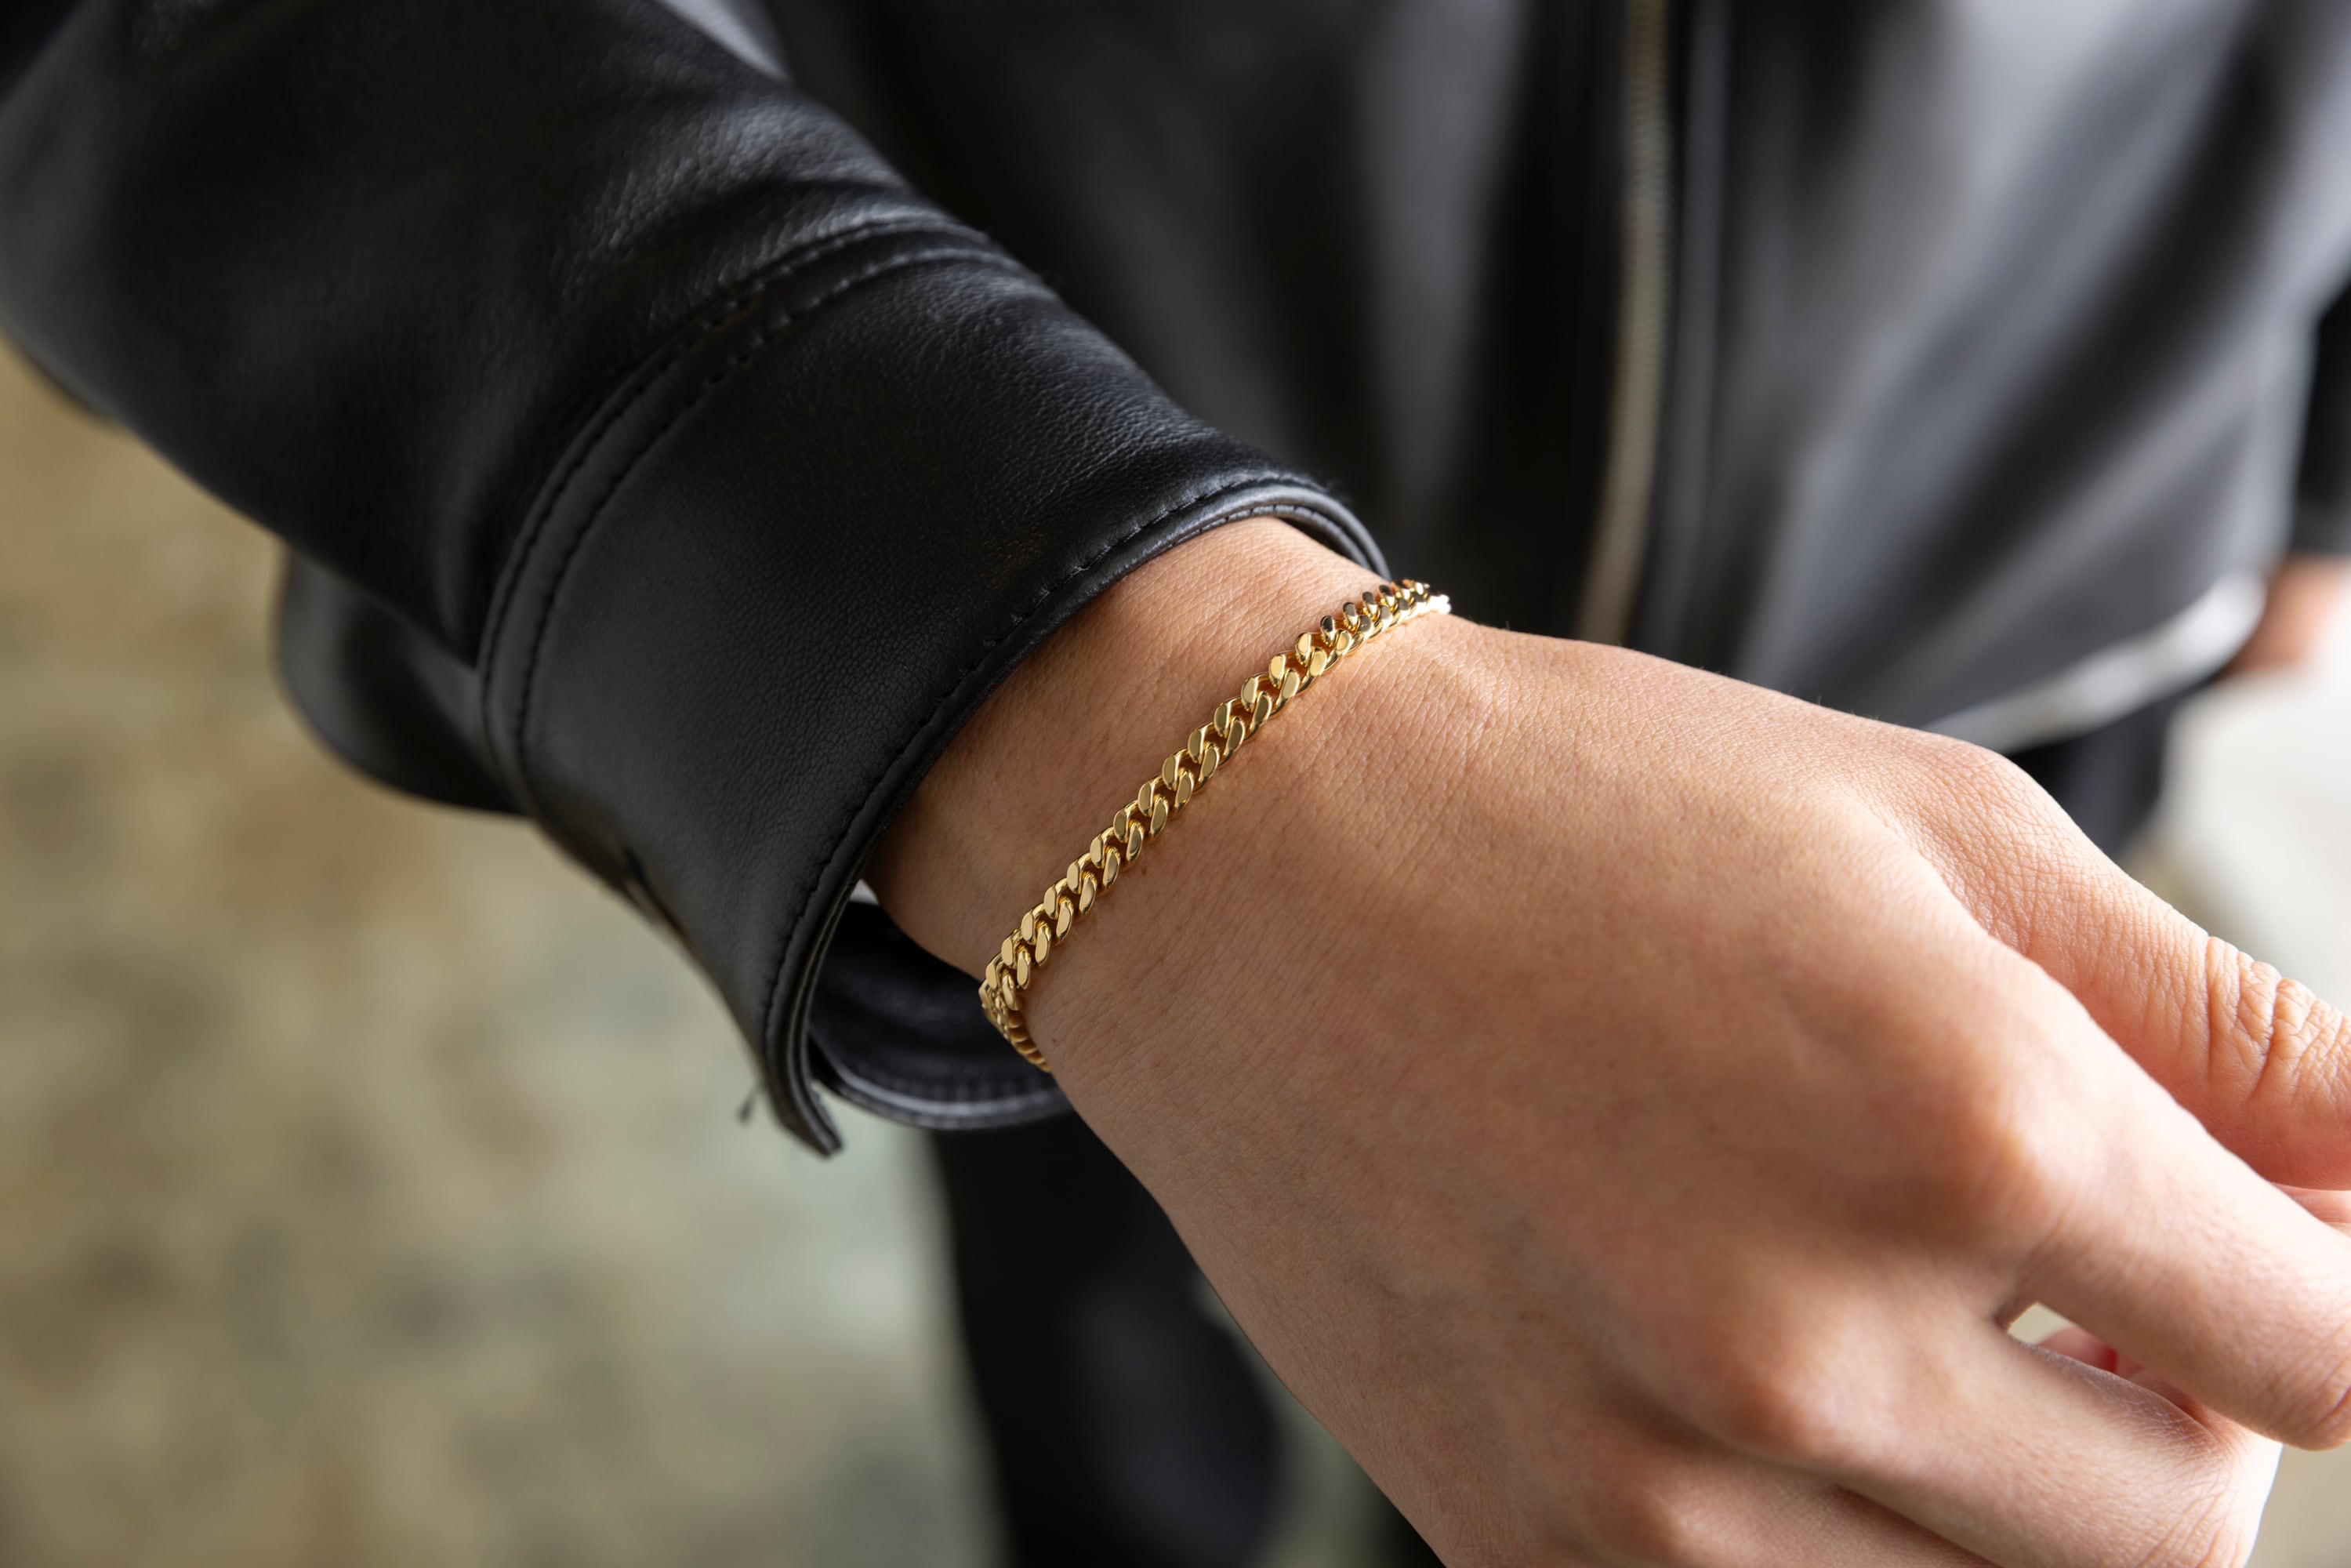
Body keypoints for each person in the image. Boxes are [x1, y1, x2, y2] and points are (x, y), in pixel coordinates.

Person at [5, 2, 2350, 1564]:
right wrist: (1104, 705)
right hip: (1048, 538)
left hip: (2036, 597)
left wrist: (2322, 462)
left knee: (1723, 1412)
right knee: (1099, 1324)